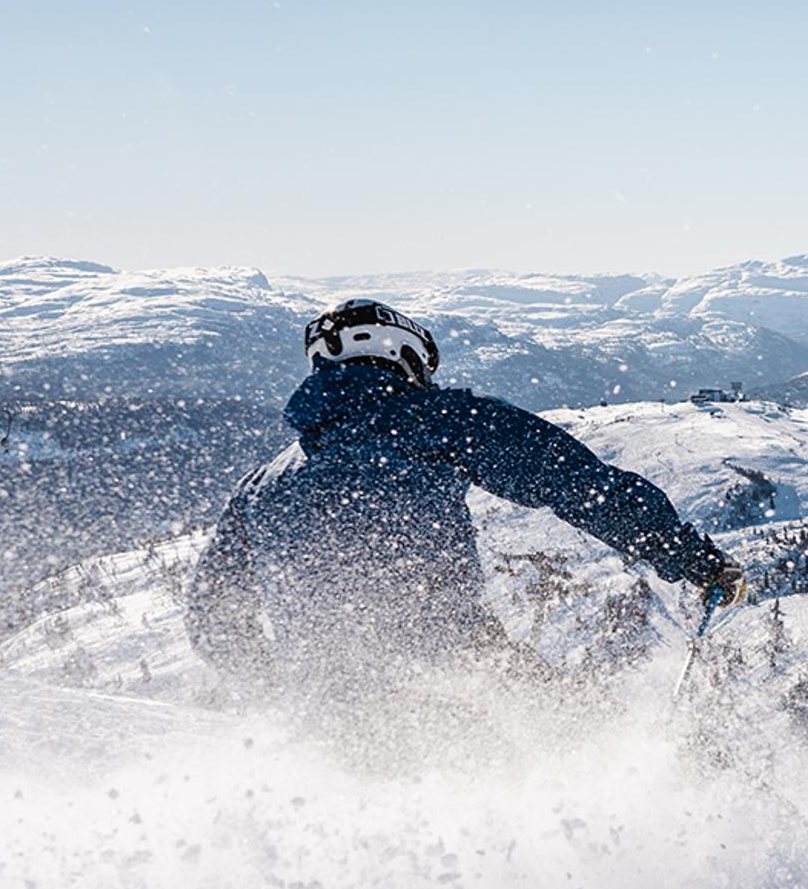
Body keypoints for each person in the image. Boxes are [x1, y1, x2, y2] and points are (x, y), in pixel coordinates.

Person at [186, 297, 745, 701]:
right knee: (582, 748)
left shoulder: (262, 483)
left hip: (327, 715)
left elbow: (211, 614)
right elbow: (582, 487)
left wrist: (285, 688)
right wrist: (692, 560)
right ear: (402, 357)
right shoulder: (440, 419)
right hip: (457, 673)